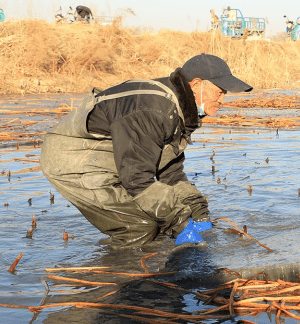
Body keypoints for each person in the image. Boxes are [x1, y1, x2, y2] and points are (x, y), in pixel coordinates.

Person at [41, 54, 252, 248]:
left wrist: (198, 213)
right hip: (74, 160)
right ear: (197, 85)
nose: (223, 100)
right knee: (140, 228)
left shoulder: (179, 110)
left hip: (115, 160)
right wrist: (180, 223)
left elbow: (170, 171)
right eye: (220, 92)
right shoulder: (153, 110)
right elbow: (137, 179)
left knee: (160, 221)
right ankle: (124, 280)